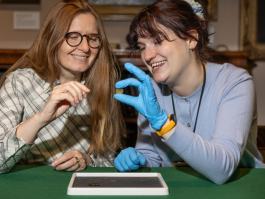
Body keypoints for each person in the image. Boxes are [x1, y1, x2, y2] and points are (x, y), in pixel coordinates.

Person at [113, 0, 265, 184]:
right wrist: (138, 160)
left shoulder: (234, 83)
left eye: (158, 41)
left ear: (191, 39)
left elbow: (222, 169)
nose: (147, 55)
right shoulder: (151, 90)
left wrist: (163, 124)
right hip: (179, 188)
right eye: (142, 46)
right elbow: (152, 158)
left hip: (240, 188)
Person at [0, 0, 127, 175]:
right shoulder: (18, 82)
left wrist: (88, 160)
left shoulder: (104, 86)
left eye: (92, 38)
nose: (86, 47)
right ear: (53, 39)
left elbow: (109, 161)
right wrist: (41, 118)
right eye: (73, 36)